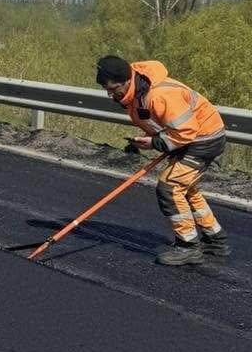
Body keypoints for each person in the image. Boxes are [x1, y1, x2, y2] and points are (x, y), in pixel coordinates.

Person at [95, 56, 228, 266]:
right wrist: (150, 140)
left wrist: (156, 142)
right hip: (192, 138)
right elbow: (160, 122)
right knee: (185, 188)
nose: (110, 94)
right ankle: (215, 239)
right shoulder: (136, 92)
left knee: (170, 187)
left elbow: (185, 130)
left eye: (113, 89)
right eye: (107, 90)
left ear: (127, 80)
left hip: (204, 139)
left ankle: (188, 247)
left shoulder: (158, 95)